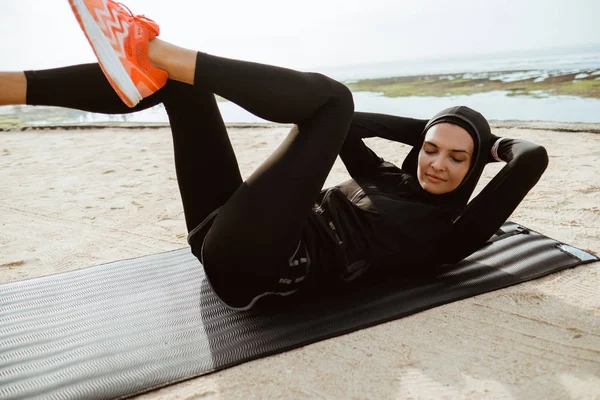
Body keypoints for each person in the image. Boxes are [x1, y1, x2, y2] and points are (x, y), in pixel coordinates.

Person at [1, 0, 548, 310]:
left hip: (267, 270)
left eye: (458, 159)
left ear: (477, 168)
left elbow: (532, 157)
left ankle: (150, 48)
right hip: (218, 232)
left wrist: (489, 143)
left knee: (333, 97)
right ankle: (9, 86)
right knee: (181, 88)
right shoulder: (382, 174)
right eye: (430, 149)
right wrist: (429, 128)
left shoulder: (456, 228)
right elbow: (348, 128)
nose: (436, 164)